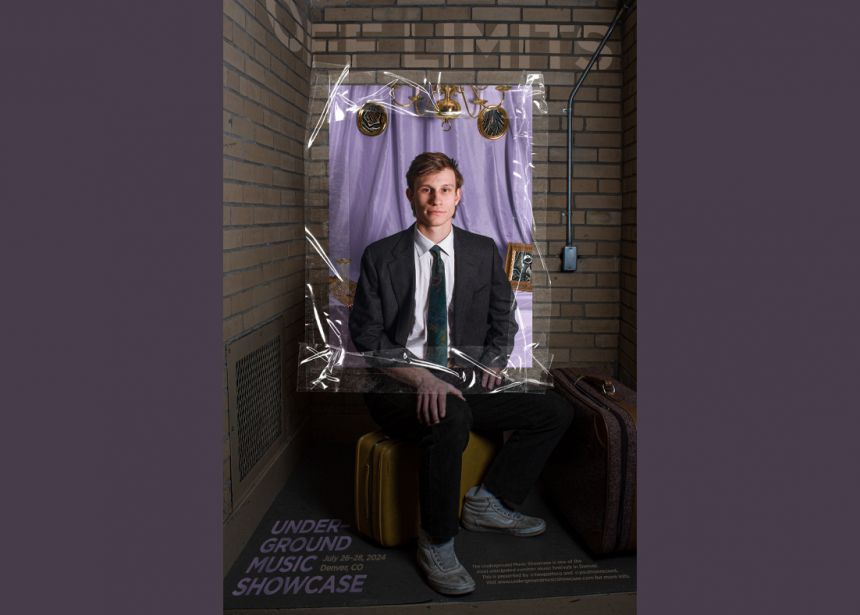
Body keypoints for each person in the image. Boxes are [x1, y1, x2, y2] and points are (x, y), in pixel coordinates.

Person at [348, 152, 572, 596]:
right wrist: (422, 378)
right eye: (427, 190)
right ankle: (437, 540)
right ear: (411, 195)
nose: (436, 199)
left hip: (464, 377)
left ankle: (489, 502)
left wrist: (493, 360)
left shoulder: (481, 250)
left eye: (445, 190)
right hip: (399, 383)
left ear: (459, 196)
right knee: (451, 417)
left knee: (553, 410)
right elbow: (367, 338)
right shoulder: (380, 256)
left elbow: (502, 316)